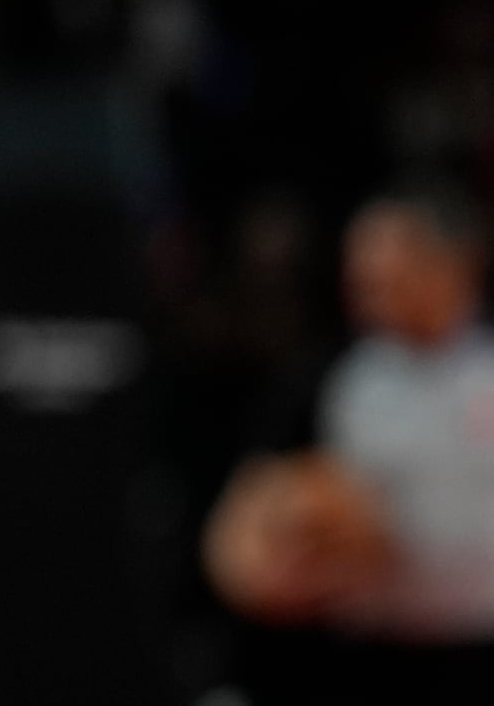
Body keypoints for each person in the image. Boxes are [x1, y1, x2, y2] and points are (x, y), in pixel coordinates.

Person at [205, 183, 494, 705]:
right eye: (358, 272)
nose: (364, 284)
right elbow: (247, 522)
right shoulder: (332, 378)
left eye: (386, 270)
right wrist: (280, 564)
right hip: (370, 659)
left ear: (453, 262)